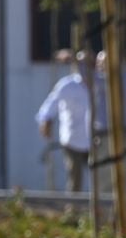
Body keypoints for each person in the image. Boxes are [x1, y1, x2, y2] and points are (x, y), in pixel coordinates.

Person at [37, 50, 94, 192]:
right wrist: (46, 121)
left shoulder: (99, 83)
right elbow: (50, 104)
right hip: (72, 139)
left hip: (94, 139)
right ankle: (73, 209)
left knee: (99, 178)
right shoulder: (67, 85)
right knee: (75, 179)